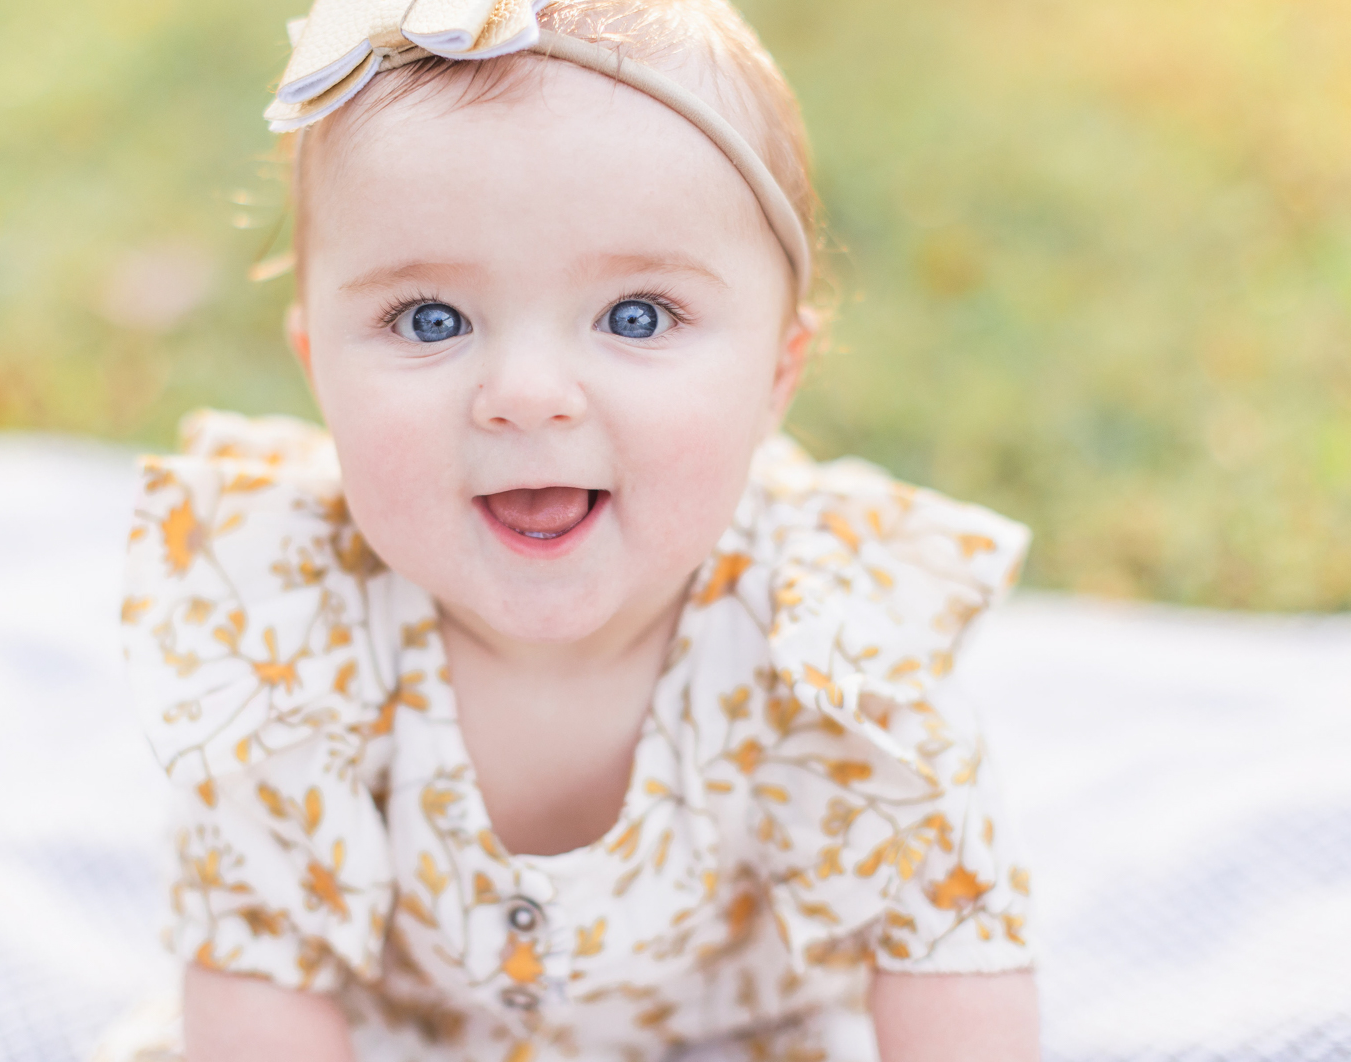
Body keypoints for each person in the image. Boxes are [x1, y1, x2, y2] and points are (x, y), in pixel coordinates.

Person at [111, 1, 1040, 1058]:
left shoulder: (835, 633)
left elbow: (949, 943)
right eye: (431, 319)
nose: (527, 395)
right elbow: (257, 974)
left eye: (636, 315)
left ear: (778, 375)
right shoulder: (278, 631)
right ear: (318, 367)